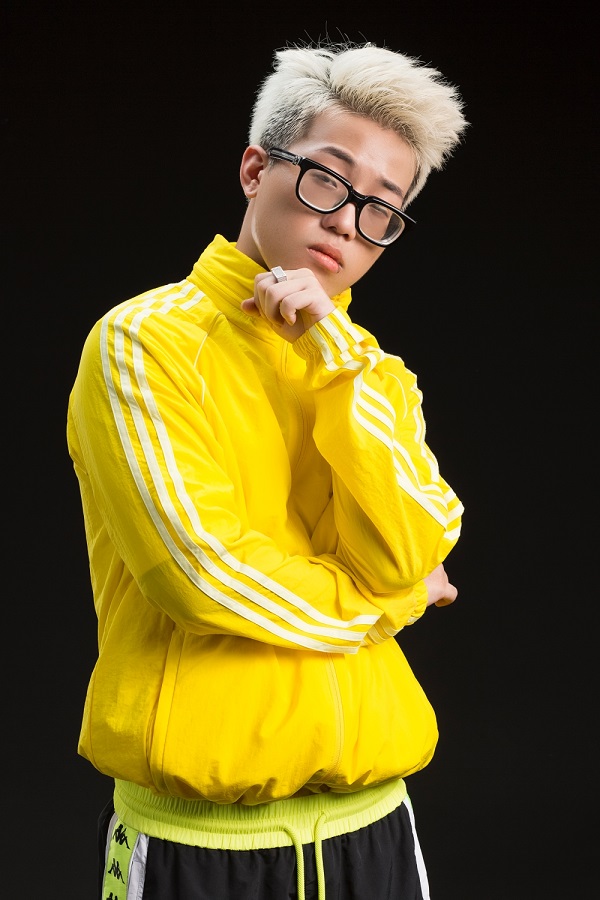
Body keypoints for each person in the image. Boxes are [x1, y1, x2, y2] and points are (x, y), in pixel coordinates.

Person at [67, 37, 468, 900]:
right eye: (328, 179)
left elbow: (421, 539)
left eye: (382, 208)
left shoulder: (368, 370)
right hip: (200, 844)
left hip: (379, 827)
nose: (347, 221)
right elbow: (205, 576)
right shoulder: (142, 343)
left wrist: (333, 359)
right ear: (257, 169)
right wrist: (395, 602)